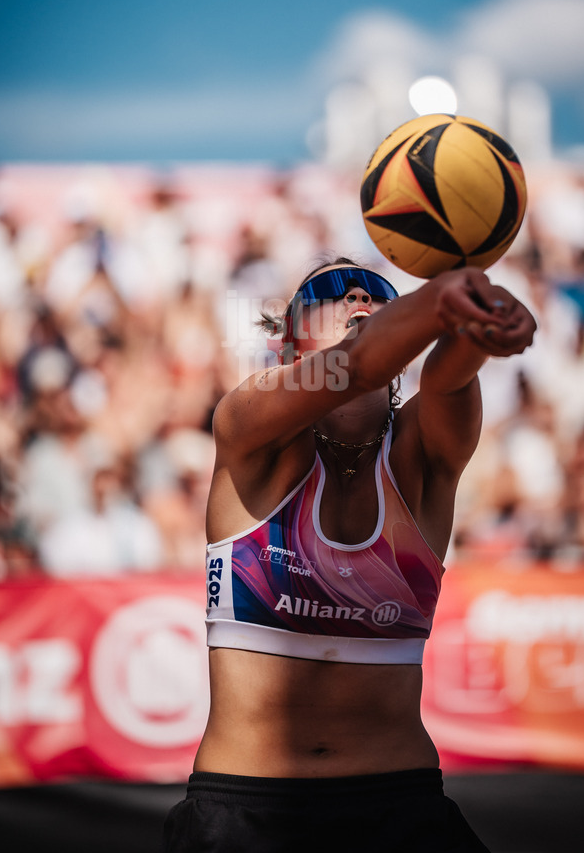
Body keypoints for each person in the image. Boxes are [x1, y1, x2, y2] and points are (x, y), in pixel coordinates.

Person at [162, 257, 537, 853]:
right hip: (245, 809)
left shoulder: (420, 450)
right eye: (330, 291)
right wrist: (447, 297)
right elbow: (357, 365)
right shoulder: (247, 423)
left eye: (377, 292)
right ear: (289, 343)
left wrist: (483, 319)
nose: (358, 294)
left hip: (399, 805)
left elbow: (450, 374)